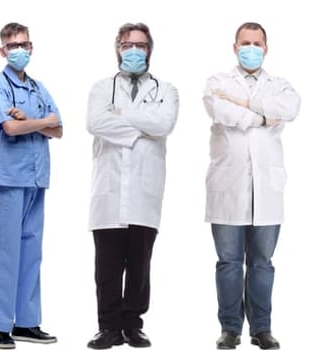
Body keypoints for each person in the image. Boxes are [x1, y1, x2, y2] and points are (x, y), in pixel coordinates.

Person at [202, 22, 298, 350]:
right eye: (245, 42)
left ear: (267, 48)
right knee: (228, 263)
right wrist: (262, 117)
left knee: (262, 263)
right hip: (227, 187)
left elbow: (290, 109)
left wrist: (242, 105)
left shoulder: (280, 86)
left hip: (268, 190)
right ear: (234, 47)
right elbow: (219, 109)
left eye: (257, 43)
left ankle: (262, 329)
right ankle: (230, 330)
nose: (251, 48)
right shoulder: (217, 82)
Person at [83, 22, 179, 350]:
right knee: (107, 266)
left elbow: (164, 124)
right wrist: (141, 125)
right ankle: (107, 328)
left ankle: (133, 325)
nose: (133, 51)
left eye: (140, 45)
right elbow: (94, 122)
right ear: (117, 49)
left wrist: (120, 116)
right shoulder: (101, 88)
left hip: (144, 190)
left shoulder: (166, 89)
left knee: (139, 265)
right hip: (108, 191)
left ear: (149, 49)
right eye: (127, 45)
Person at [0, 22, 62, 350]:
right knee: (7, 252)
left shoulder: (40, 88)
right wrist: (41, 122)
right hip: (11, 179)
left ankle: (26, 322)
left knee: (32, 252)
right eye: (12, 45)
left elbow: (59, 130)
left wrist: (29, 121)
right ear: (3, 50)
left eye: (24, 44)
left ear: (31, 47)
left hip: (38, 178)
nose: (19, 50)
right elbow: (10, 130)